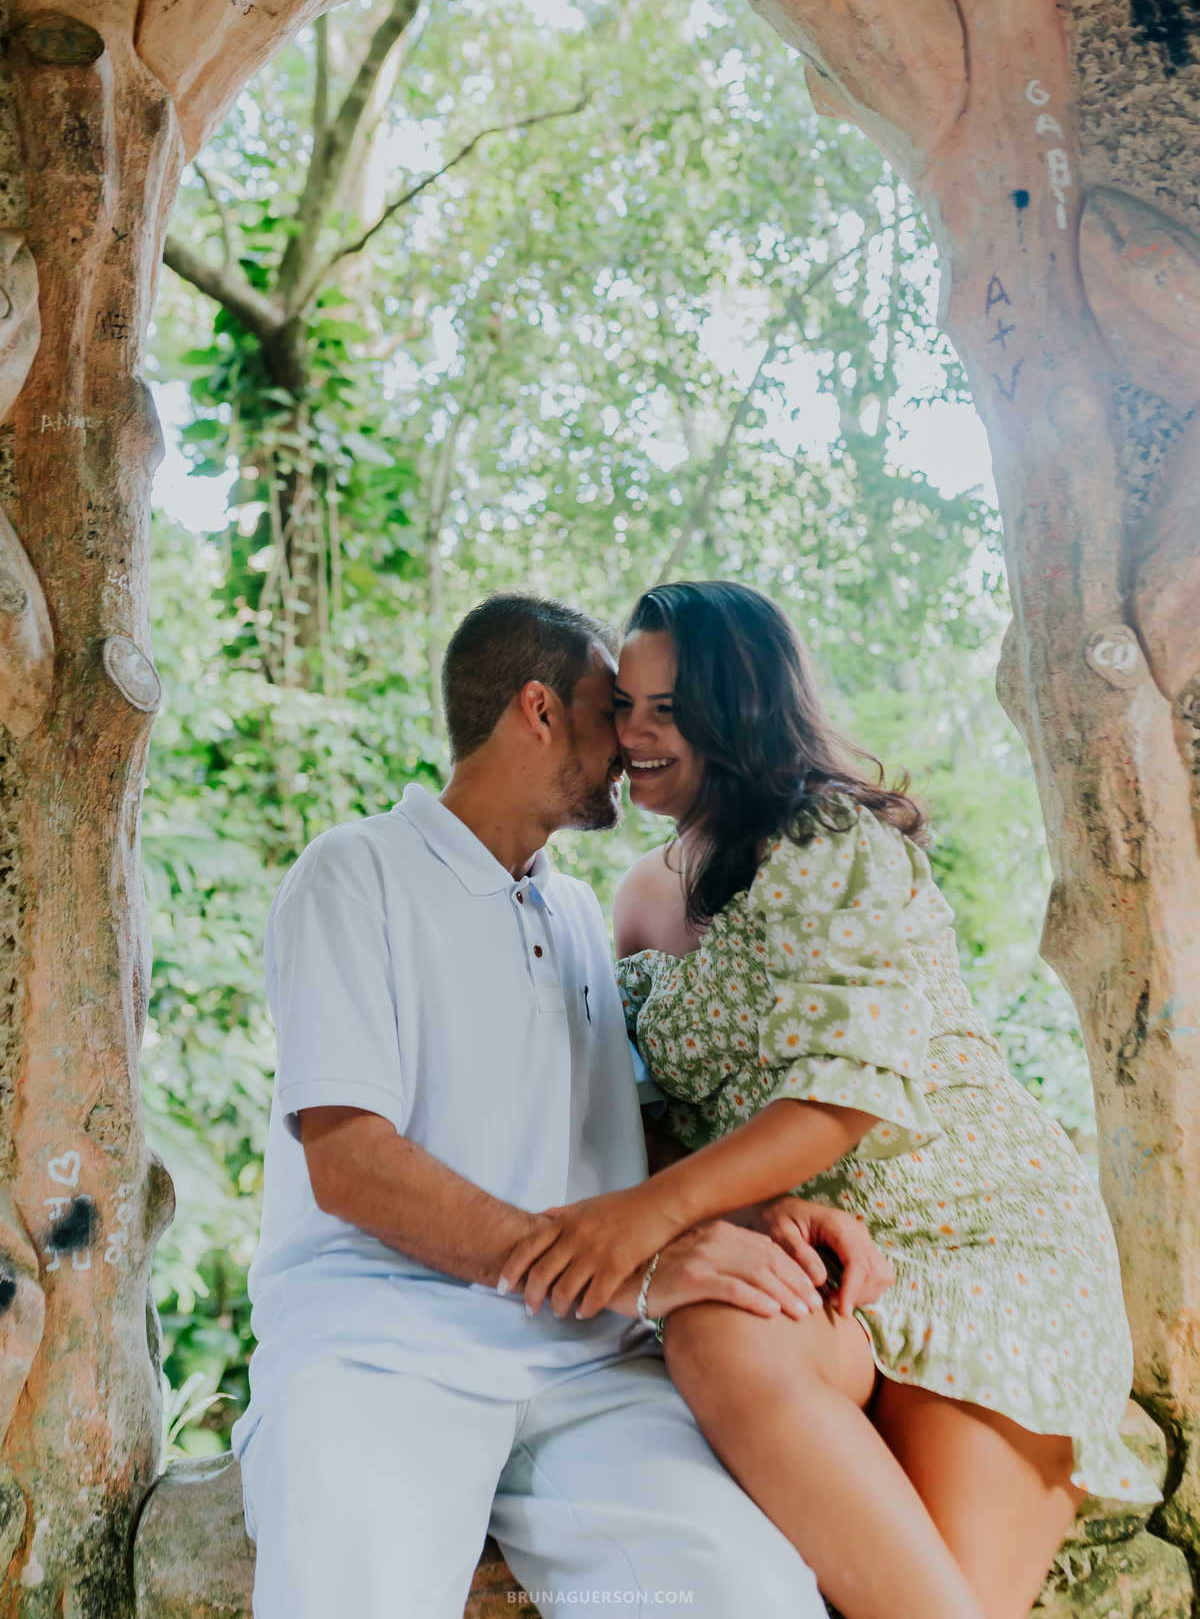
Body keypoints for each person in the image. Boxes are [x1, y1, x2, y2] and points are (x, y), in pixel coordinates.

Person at [499, 580, 1159, 1619]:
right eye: (624, 704)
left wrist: (647, 1218)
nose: (634, 733)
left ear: (742, 704)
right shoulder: (634, 894)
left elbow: (839, 1100)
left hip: (977, 1249)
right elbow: (647, 1115)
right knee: (714, 1329)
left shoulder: (827, 842)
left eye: (668, 708)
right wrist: (735, 1211)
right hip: (810, 1263)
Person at [232, 589, 882, 1619]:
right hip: (382, 1355)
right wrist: (627, 1263)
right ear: (538, 710)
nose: (630, 739)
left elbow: (618, 1139)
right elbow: (348, 1157)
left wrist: (764, 1214)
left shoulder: (576, 910)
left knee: (746, 1593)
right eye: (606, 706)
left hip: (589, 1368)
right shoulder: (354, 874)